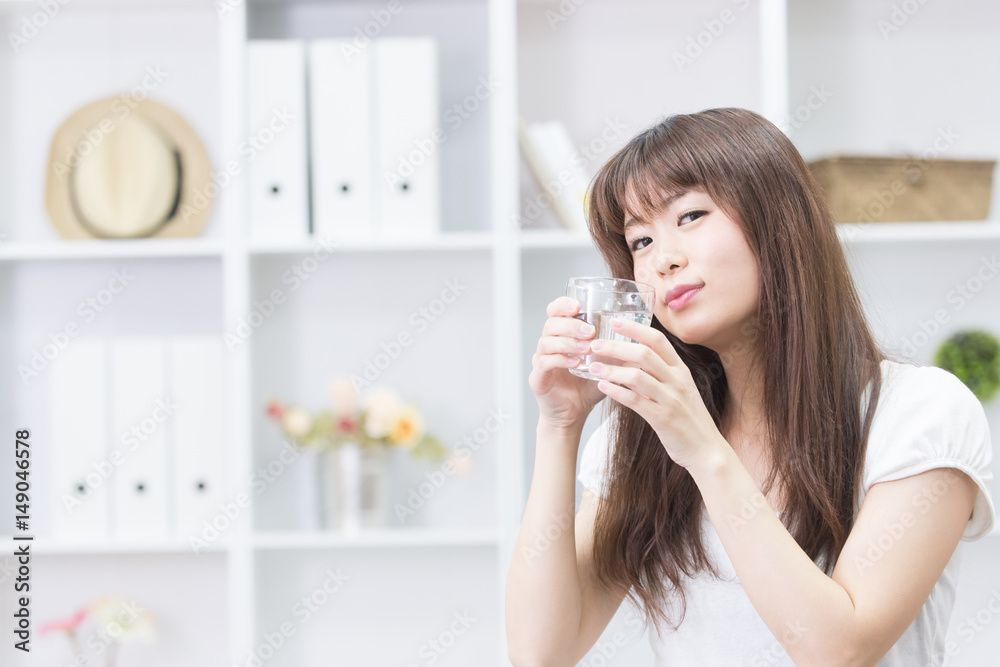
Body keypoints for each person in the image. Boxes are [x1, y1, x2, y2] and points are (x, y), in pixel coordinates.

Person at [505, 107, 995, 666]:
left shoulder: (921, 413)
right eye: (640, 241)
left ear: (779, 220)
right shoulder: (641, 436)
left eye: (690, 215)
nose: (663, 259)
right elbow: (540, 651)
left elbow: (840, 652)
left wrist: (704, 451)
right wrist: (560, 426)